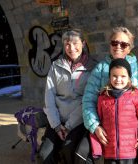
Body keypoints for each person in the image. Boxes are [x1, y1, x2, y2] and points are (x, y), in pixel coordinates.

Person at [82, 26, 138, 163]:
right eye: (114, 43)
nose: (118, 47)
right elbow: (88, 101)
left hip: (131, 136)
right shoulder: (100, 69)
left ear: (130, 47)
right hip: (109, 135)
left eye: (124, 44)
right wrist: (95, 126)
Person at [39, 28, 97, 164]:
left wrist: (69, 125)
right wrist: (57, 125)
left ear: (83, 43)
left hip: (79, 121)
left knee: (69, 150)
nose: (71, 48)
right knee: (44, 154)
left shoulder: (93, 67)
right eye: (67, 44)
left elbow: (89, 100)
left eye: (75, 43)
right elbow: (49, 97)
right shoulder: (56, 66)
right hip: (57, 121)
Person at [90, 58, 138, 164]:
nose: (118, 79)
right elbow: (97, 123)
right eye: (114, 76)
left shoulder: (135, 96)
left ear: (129, 78)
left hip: (129, 154)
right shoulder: (103, 98)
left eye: (123, 76)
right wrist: (97, 150)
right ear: (109, 77)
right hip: (109, 153)